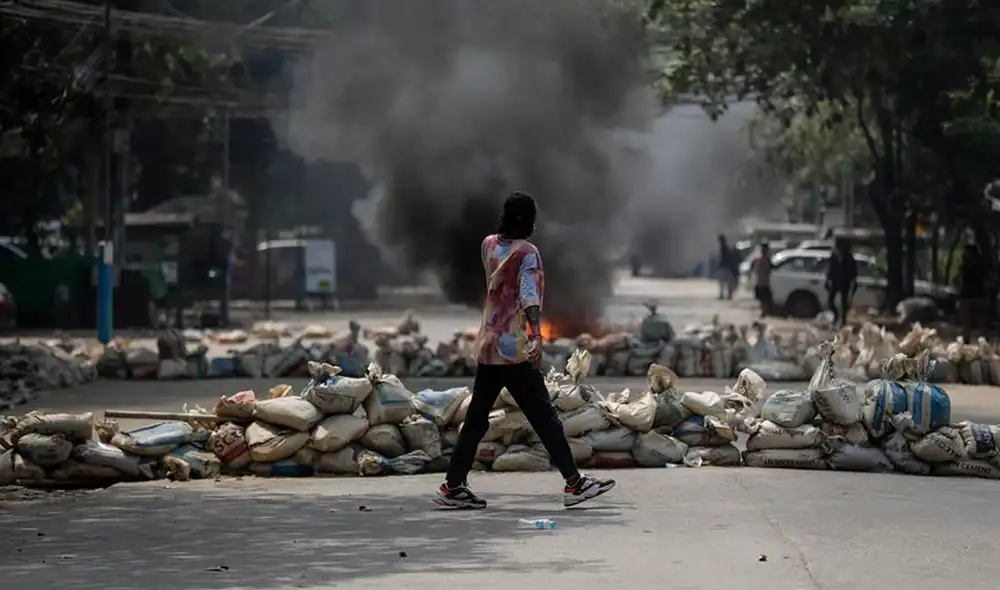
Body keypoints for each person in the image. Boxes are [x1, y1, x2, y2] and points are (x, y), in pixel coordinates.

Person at [434, 191, 616, 510]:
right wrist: (535, 335)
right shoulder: (528, 253)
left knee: (477, 418)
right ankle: (574, 483)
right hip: (514, 349)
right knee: (544, 416)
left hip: (489, 344)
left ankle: (452, 486)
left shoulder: (488, 244)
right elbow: (529, 296)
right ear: (530, 220)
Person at [958, 237, 990, 342]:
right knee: (982, 325)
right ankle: (984, 346)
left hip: (967, 297)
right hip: (979, 297)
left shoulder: (964, 266)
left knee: (967, 326)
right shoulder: (982, 265)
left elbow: (957, 280)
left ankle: (966, 347)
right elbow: (988, 280)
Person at [826, 239, 858, 327]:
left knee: (844, 302)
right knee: (830, 301)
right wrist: (828, 280)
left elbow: (853, 271)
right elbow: (830, 269)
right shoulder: (834, 255)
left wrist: (854, 281)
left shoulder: (849, 257)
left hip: (845, 281)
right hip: (835, 281)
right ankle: (836, 316)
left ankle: (843, 320)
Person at [749, 241, 773, 317]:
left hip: (761, 281)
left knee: (764, 298)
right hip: (762, 282)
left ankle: (764, 311)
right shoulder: (763, 259)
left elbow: (752, 268)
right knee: (764, 298)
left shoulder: (761, 259)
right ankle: (764, 311)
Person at [716, 235, 738, 300]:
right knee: (726, 282)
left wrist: (720, 265)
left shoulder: (724, 247)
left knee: (723, 281)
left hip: (724, 266)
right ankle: (727, 295)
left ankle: (725, 295)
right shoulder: (725, 247)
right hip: (726, 266)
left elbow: (724, 258)